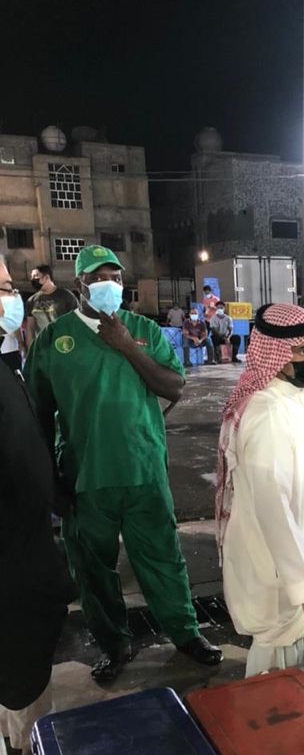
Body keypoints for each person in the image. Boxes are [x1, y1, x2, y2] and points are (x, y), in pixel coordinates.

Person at [24, 244, 222, 681]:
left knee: (162, 557)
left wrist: (127, 347)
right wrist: (51, 483)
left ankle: (187, 634)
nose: (108, 285)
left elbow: (173, 387)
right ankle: (114, 645)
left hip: (143, 471)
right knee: (92, 569)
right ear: (80, 285)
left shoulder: (143, 330)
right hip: (86, 476)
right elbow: (37, 414)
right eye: (98, 278)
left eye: (114, 277)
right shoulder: (54, 341)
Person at [216, 303, 304, 675]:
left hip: (297, 548)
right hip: (273, 563)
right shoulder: (267, 413)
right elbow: (272, 507)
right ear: (277, 356)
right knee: (273, 660)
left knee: (289, 651)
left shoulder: (294, 401)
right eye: (303, 350)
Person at [0, 254, 76, 755]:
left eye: (9, 287)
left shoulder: (8, 366)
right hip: (10, 560)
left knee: (24, 660)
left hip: (26, 545)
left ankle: (22, 739)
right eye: (5, 287)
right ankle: (32, 754)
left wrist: (52, 492)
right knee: (18, 658)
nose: (12, 299)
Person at [23, 265, 78, 351]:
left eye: (35, 276)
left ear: (46, 277)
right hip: (43, 346)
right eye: (31, 277)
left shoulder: (66, 296)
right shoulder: (32, 300)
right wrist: (30, 350)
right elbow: (30, 327)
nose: (32, 279)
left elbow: (77, 321)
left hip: (64, 345)